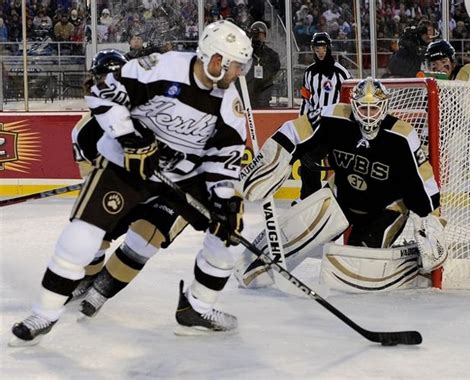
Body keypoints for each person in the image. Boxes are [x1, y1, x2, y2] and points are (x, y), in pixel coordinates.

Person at [10, 20, 253, 346]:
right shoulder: (162, 68)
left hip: (183, 176)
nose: (239, 72)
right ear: (215, 59)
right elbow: (103, 94)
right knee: (82, 236)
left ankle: (198, 307)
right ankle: (45, 313)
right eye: (235, 65)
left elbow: (224, 154)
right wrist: (131, 138)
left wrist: (223, 196)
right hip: (128, 167)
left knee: (228, 233)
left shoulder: (229, 102)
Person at [236, 77, 447, 290]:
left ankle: (410, 265)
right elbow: (294, 130)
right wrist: (272, 159)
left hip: (385, 209)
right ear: (353, 106)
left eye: (373, 109)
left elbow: (422, 179)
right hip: (341, 198)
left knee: (358, 259)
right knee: (298, 230)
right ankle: (257, 263)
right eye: (362, 109)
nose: (367, 116)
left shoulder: (401, 136)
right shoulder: (335, 116)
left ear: (384, 109)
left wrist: (430, 219)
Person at [69, 49, 188, 316]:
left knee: (145, 238)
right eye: (103, 79)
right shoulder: (84, 132)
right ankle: (89, 277)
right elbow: (91, 178)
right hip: (129, 189)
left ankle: (102, 290)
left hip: (170, 190)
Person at [298, 31, 351, 199]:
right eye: (317, 48)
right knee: (306, 158)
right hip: (316, 127)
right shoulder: (309, 73)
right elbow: (306, 99)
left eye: (323, 47)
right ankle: (308, 197)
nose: (320, 51)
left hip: (336, 128)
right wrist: (302, 122)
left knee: (342, 163)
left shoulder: (340, 72)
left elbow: (350, 99)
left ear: (329, 48)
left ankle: (345, 196)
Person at [245, 21, 280, 108]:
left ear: (265, 35)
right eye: (255, 33)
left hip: (264, 92)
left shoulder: (272, 54)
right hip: (247, 94)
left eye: (260, 33)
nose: (257, 36)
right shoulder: (244, 52)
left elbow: (274, 69)